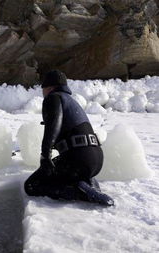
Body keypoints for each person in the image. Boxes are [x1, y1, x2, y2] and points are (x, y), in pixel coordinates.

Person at [24, 70, 114, 206]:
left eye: (43, 88)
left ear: (49, 87)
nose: (42, 93)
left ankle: (78, 192)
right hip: (95, 160)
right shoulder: (71, 101)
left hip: (78, 161)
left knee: (31, 185)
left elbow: (54, 126)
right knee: (59, 170)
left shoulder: (53, 98)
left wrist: (45, 155)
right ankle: (86, 181)